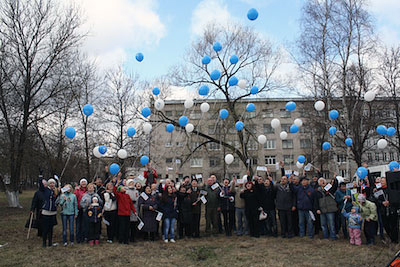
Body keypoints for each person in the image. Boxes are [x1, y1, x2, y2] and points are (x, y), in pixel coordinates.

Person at [375, 178, 399, 243]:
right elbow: (376, 200)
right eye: (381, 181)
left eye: (383, 181)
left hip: (392, 210)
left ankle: (395, 240)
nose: (381, 182)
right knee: (386, 225)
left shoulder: (391, 189)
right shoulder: (378, 190)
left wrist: (390, 202)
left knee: (393, 226)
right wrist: (382, 203)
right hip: (383, 211)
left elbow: (396, 198)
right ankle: (390, 236)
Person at [40, 178, 59, 248]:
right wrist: (40, 176)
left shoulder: (56, 191)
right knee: (45, 229)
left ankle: (50, 243)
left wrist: (58, 182)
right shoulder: (45, 190)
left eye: (53, 183)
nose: (52, 184)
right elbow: (40, 185)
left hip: (53, 212)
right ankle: (44, 243)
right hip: (46, 212)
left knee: (51, 229)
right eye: (50, 183)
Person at [74, 178, 88, 243]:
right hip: (78, 209)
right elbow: (75, 199)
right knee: (78, 224)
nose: (83, 183)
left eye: (84, 182)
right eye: (82, 182)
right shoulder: (77, 190)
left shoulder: (87, 190)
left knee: (84, 224)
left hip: (85, 209)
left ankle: (83, 237)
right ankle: (78, 238)